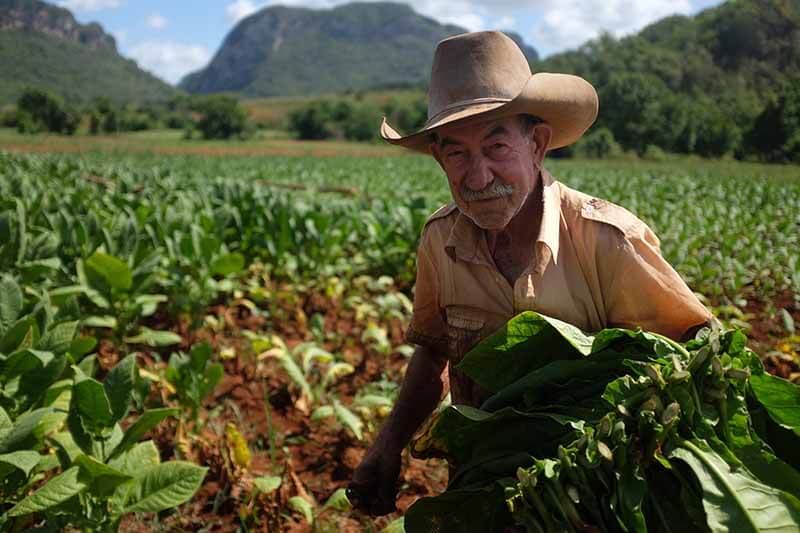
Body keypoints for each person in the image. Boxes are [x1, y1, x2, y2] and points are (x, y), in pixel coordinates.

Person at [347, 30, 711, 516]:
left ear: (537, 144)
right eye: (457, 154)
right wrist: (388, 444)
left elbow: (689, 358)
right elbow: (434, 352)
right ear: (438, 157)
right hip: (481, 491)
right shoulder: (440, 239)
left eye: (496, 147)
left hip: (592, 504)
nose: (478, 178)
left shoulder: (607, 240)